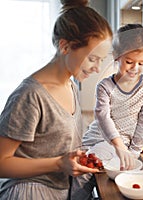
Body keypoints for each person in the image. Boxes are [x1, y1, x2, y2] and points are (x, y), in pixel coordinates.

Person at [0, 0, 112, 199]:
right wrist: (59, 163)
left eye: (101, 60)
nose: (97, 68)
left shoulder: (71, 85)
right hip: (29, 192)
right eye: (92, 58)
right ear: (65, 46)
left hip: (61, 191)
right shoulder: (30, 95)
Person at [71, 24, 143, 199]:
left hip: (122, 147)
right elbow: (103, 117)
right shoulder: (105, 86)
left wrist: (133, 153)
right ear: (117, 57)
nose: (135, 68)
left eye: (141, 63)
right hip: (98, 139)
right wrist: (119, 146)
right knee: (82, 176)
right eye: (129, 62)